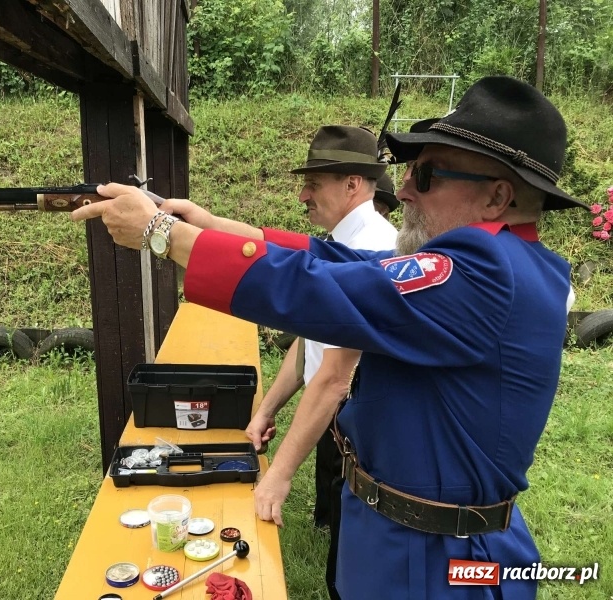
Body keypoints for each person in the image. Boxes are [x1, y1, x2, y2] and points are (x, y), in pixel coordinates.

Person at [71, 75, 588, 599]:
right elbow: (334, 259)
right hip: (401, 537)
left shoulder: (484, 272)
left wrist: (163, 234)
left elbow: (315, 288)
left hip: (437, 560)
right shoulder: (503, 266)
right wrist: (209, 226)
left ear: (497, 196)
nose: (404, 188)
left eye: (425, 175)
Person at [242, 125, 397, 599]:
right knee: (341, 544)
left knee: (349, 572)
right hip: (331, 422)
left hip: (355, 424)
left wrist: (278, 474)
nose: (302, 195)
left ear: (353, 184)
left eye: (315, 183)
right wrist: (267, 408)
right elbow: (310, 343)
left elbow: (334, 376)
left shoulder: (377, 249)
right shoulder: (340, 245)